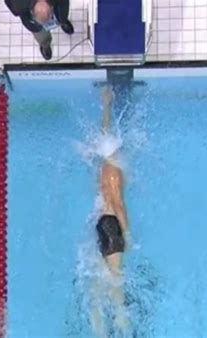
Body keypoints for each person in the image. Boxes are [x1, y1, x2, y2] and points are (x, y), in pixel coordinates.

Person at [91, 86, 130, 338]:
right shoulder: (113, 171)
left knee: (97, 287)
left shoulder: (105, 163)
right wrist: (127, 232)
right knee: (116, 286)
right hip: (112, 225)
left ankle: (99, 331)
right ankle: (123, 323)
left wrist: (106, 104)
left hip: (101, 223)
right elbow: (117, 204)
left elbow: (105, 133)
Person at [4, 0, 74, 60]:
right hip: (33, 22)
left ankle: (62, 22)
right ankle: (45, 45)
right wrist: (31, 24)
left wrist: (62, 17)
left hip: (55, 5)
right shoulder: (18, 5)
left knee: (60, 17)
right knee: (41, 36)